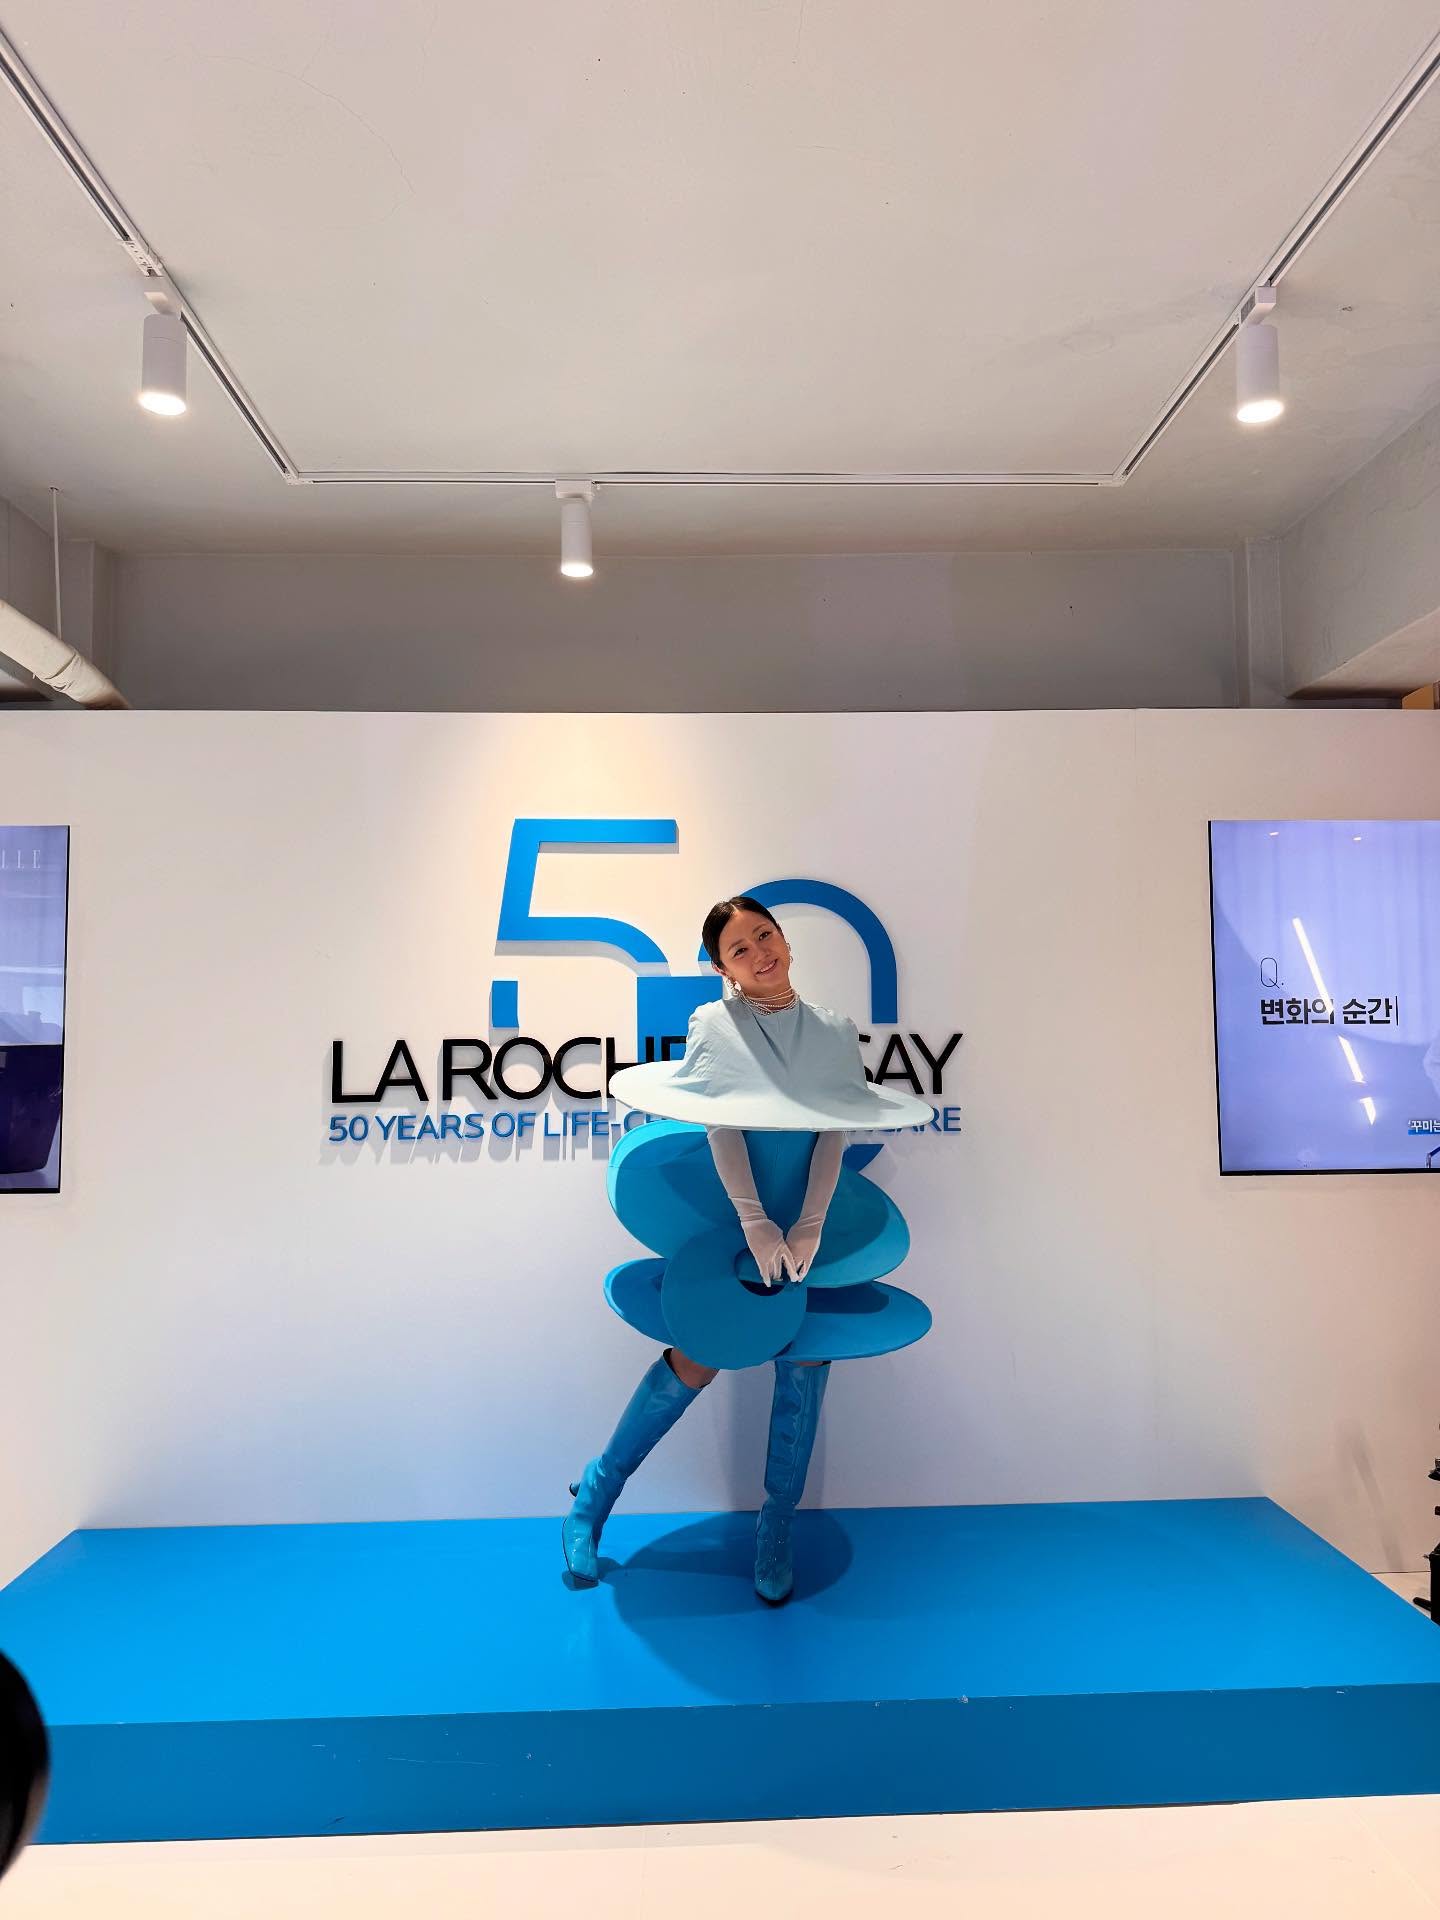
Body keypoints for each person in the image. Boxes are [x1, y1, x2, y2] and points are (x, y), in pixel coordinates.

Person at [562, 895, 930, 1604]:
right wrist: (756, 1221)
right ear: (722, 968)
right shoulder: (714, 1023)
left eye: (765, 935)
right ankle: (591, 1500)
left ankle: (776, 1528)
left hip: (812, 1219)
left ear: (783, 937)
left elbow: (835, 1128)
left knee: (806, 1357)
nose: (760, 952)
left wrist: (811, 1222)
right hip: (731, 1215)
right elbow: (720, 1125)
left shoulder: (833, 1029)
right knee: (697, 1354)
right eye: (740, 948)